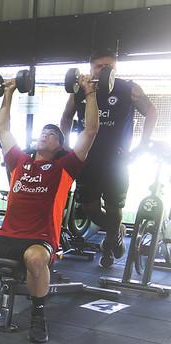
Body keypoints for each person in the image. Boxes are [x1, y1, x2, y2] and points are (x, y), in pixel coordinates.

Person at [0, 74, 99, 343]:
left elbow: (90, 131)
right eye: (44, 132)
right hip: (7, 236)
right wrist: (8, 92)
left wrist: (90, 93)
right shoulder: (19, 162)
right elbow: (3, 130)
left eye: (53, 135)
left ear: (60, 146)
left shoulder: (65, 167)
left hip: (40, 240)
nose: (46, 135)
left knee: (35, 259)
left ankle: (38, 316)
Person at [60, 49, 158, 268]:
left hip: (116, 161)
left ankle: (110, 245)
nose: (104, 70)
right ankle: (117, 231)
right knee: (89, 209)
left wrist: (142, 145)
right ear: (90, 68)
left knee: (114, 208)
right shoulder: (79, 91)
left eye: (109, 67)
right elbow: (66, 117)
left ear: (116, 69)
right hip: (87, 160)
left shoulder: (128, 88)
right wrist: (66, 146)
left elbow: (151, 112)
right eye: (99, 67)